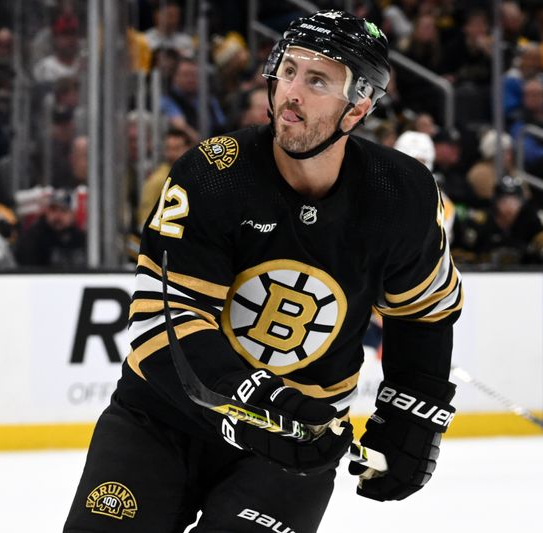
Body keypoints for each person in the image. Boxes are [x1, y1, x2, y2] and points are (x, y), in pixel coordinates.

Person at [64, 10, 462, 533]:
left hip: (296, 449)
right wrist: (262, 403)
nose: (291, 91)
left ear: (359, 105)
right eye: (288, 69)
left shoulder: (401, 194)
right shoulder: (213, 174)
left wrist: (411, 414)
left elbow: (424, 313)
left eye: (318, 79)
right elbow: (165, 329)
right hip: (161, 421)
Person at [14, 188, 86, 267]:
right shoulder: (34, 237)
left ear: (72, 214)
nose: (58, 216)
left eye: (63, 210)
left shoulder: (80, 238)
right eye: (53, 210)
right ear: (47, 212)